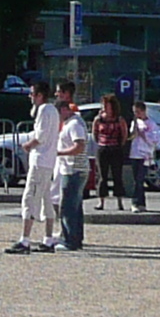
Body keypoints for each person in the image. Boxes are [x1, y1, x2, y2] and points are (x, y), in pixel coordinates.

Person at [9, 83, 65, 253]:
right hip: (48, 161)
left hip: (40, 161)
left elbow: (40, 136)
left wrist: (27, 145)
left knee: (30, 197)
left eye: (32, 93)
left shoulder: (44, 110)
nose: (30, 96)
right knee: (46, 199)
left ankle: (25, 240)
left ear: (40, 95)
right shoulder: (53, 110)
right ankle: (48, 239)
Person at [53, 81, 92, 248]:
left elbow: (79, 146)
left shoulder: (75, 123)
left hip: (74, 169)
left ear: (64, 110)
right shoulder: (70, 123)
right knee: (74, 206)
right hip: (72, 168)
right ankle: (75, 238)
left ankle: (70, 240)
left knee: (68, 207)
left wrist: (59, 153)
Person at [93, 94, 129, 208]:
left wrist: (119, 144)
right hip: (102, 148)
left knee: (117, 175)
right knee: (102, 175)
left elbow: (124, 134)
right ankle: (101, 201)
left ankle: (119, 201)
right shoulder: (99, 119)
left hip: (115, 148)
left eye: (106, 105)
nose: (104, 107)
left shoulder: (119, 119)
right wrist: (100, 142)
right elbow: (95, 133)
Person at [123, 92, 156, 214]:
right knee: (136, 180)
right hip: (135, 153)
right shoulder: (135, 122)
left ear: (143, 111)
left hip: (145, 154)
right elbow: (132, 136)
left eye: (138, 112)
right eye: (134, 112)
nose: (136, 114)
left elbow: (155, 140)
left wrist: (143, 135)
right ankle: (141, 203)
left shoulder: (151, 124)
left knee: (139, 179)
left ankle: (135, 202)